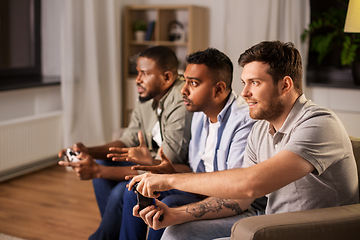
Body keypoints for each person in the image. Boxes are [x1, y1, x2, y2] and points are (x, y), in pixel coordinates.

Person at [128, 41, 359, 240]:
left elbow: (250, 184)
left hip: (315, 231)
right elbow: (237, 199)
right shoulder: (261, 128)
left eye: (255, 83)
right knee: (177, 232)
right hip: (274, 224)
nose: (245, 92)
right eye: (244, 82)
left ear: (285, 85)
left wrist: (169, 180)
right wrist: (175, 214)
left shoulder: (318, 124)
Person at [119, 48, 260, 240]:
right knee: (135, 191)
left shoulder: (244, 122)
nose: (183, 90)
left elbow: (237, 191)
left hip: (236, 202)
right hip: (202, 190)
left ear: (218, 89)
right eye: (184, 81)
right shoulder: (199, 114)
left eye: (193, 83)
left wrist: (173, 179)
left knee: (170, 203)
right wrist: (165, 170)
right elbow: (196, 171)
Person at [58, 46, 193, 240]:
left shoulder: (180, 101)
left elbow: (165, 165)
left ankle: (101, 237)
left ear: (167, 77)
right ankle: (113, 234)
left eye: (144, 74)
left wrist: (97, 170)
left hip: (170, 170)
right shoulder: (146, 96)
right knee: (104, 164)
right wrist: (89, 151)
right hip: (146, 163)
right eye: (137, 72)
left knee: (122, 191)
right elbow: (129, 138)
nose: (137, 79)